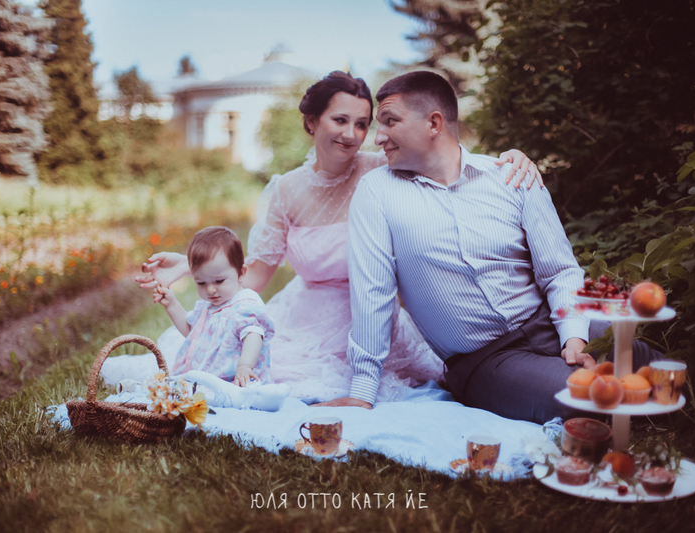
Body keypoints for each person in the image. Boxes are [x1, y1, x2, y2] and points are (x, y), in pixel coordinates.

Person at [131, 71, 543, 404]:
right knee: (271, 373)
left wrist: (508, 160)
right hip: (304, 319)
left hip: (371, 317)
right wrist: (193, 268)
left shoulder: (383, 168)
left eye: (362, 124)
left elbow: (443, 157)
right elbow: (253, 277)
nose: (352, 133)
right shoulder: (286, 190)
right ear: (312, 122)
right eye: (340, 120)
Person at [322, 71, 665, 423]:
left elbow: (560, 272)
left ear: (434, 123)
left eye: (390, 121)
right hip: (485, 361)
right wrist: (362, 391)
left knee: (658, 368)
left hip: (549, 319)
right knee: (586, 396)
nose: (378, 137)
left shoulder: (511, 176)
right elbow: (373, 292)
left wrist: (574, 336)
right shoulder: (377, 192)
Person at [156, 226, 273, 386]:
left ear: (241, 273)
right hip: (208, 378)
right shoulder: (207, 306)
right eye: (201, 283)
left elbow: (253, 335)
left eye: (219, 281)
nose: (210, 289)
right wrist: (172, 305)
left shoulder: (246, 304)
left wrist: (245, 366)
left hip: (236, 380)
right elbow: (192, 333)